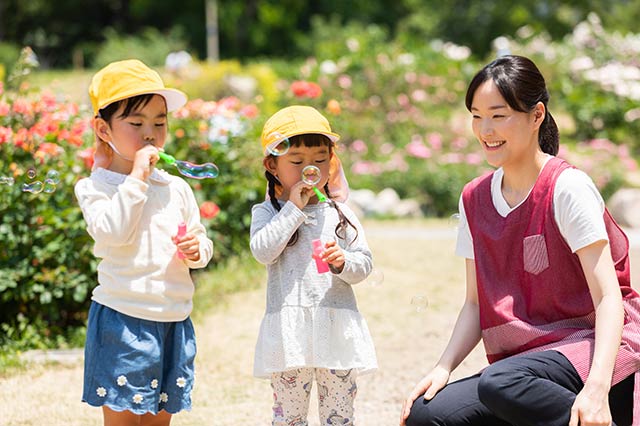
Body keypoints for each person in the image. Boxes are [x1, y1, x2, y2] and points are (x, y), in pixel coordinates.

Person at [400, 55, 640, 426]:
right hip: (526, 370)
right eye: (476, 116)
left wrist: (596, 391)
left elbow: (609, 299)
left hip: (596, 352)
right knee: (426, 414)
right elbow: (475, 304)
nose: (485, 129)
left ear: (536, 115)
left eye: (499, 115)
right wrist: (443, 367)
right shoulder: (474, 198)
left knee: (501, 381)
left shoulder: (567, 187)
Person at [74, 59, 213, 425]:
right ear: (104, 129)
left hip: (173, 320)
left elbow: (198, 238)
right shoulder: (95, 189)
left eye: (160, 122)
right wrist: (136, 177)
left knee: (159, 421)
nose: (150, 134)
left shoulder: (175, 187)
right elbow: (112, 233)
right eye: (136, 124)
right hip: (123, 321)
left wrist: (198, 251)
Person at [250, 105, 378, 425]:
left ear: (332, 163)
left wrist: (342, 263)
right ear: (272, 165)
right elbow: (263, 251)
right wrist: (293, 207)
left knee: (339, 416)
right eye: (297, 162)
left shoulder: (341, 213)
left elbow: (364, 264)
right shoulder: (266, 213)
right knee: (289, 418)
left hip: (336, 333)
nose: (311, 170)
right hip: (289, 336)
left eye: (320, 160)